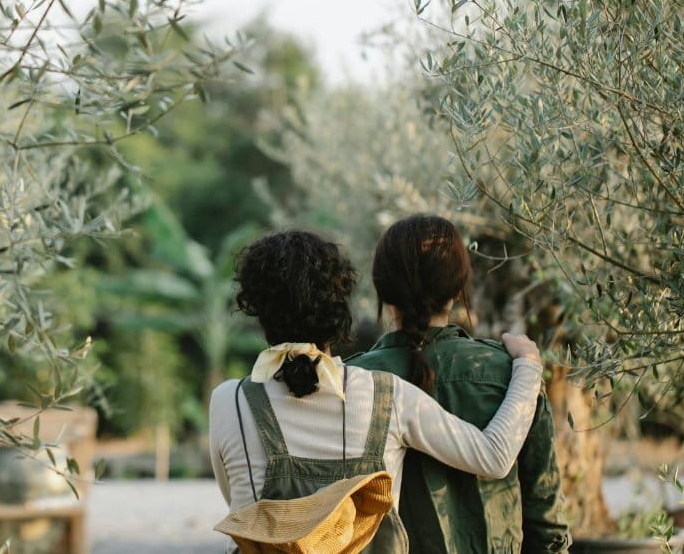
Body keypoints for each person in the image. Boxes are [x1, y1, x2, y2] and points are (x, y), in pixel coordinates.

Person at [209, 230, 544, 553]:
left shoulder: (229, 402)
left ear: (258, 309)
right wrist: (528, 366)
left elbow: (240, 511)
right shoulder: (386, 395)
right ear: (339, 307)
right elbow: (494, 457)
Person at [348, 215, 570, 553]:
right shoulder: (513, 375)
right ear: (458, 287)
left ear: (382, 289)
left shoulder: (351, 383)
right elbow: (545, 518)